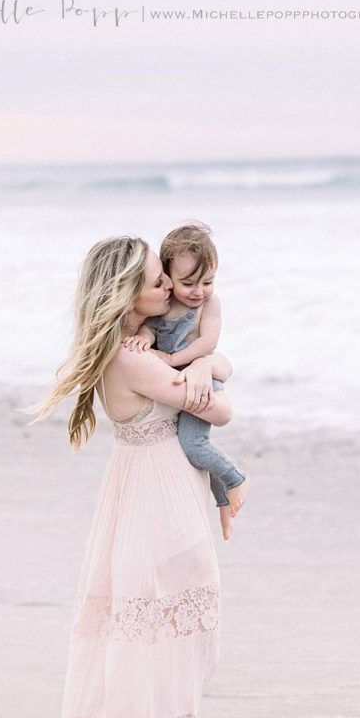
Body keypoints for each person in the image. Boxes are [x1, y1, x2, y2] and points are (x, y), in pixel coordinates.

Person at [24, 235, 234, 718]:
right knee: (160, 639)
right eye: (155, 281)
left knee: (176, 637)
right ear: (124, 294)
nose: (168, 287)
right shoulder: (131, 357)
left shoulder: (151, 347)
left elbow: (221, 370)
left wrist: (200, 361)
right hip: (154, 499)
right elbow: (220, 412)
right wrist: (202, 370)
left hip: (165, 489)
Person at [122, 223, 249, 541]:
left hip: (201, 382)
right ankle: (222, 500)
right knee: (196, 449)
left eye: (208, 281)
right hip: (175, 383)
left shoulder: (209, 304)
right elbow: (152, 330)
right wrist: (143, 338)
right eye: (188, 282)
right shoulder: (164, 305)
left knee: (194, 445)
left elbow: (207, 344)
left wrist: (171, 361)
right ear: (166, 277)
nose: (198, 291)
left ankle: (235, 479)